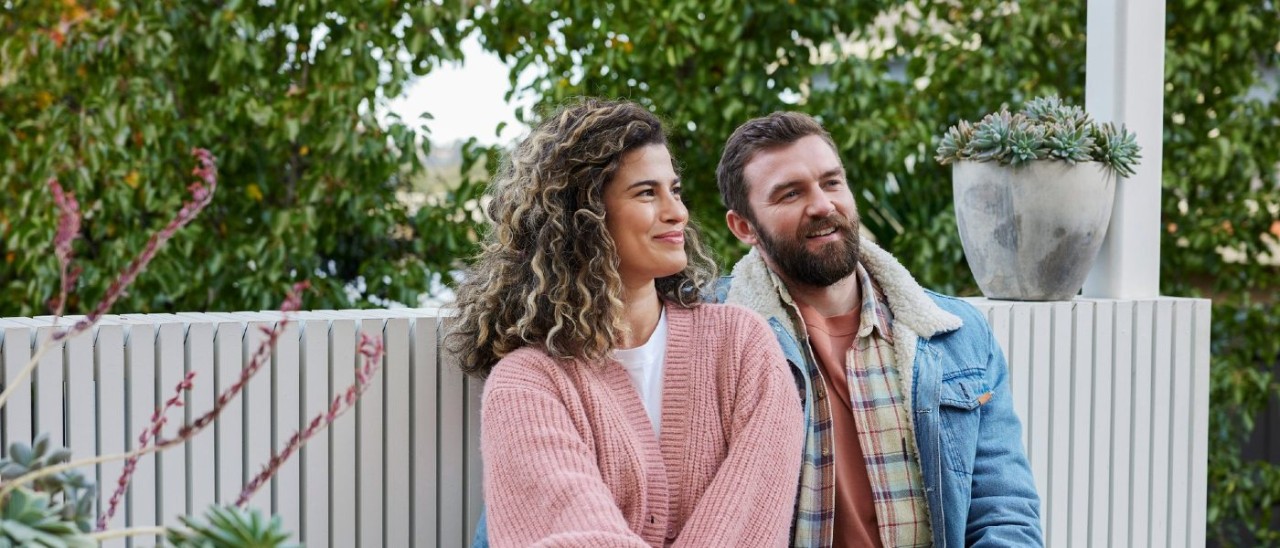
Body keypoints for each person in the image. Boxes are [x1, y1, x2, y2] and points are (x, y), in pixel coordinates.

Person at [450, 98, 805, 547]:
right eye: (646, 193)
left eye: (674, 190)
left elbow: (753, 526)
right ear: (583, 216)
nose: (677, 212)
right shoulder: (528, 384)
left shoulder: (743, 345)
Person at [715, 111, 1043, 547]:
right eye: (790, 194)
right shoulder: (714, 338)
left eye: (831, 183)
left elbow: (1005, 514)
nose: (822, 205)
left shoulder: (956, 337)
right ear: (743, 227)